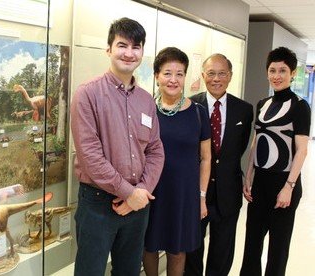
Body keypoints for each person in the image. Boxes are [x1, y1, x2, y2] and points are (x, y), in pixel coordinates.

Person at [70, 17, 165, 276]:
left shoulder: (146, 100)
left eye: (136, 47)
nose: (129, 53)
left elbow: (156, 150)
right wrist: (128, 193)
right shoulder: (87, 94)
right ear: (109, 49)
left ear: (142, 53)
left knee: (129, 271)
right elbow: (90, 156)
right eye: (122, 45)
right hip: (98, 205)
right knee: (90, 271)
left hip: (137, 205)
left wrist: (141, 192)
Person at [240, 47, 311, 276]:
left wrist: (289, 187)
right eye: (272, 70)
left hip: (284, 184)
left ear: (292, 73)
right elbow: (256, 142)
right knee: (251, 244)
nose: (277, 75)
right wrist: (248, 176)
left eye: (283, 70)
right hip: (260, 182)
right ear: (267, 72)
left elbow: (301, 151)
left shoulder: (300, 106)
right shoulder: (262, 104)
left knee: (278, 249)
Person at [143, 47, 211, 276]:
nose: (173, 80)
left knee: (177, 250)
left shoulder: (199, 113)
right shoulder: (146, 110)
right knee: (148, 246)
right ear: (156, 76)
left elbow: (206, 158)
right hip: (151, 190)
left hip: (183, 193)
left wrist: (201, 197)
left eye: (179, 74)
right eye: (167, 73)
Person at [184, 54, 253, 276]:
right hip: (196, 192)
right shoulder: (189, 105)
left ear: (230, 76)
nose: (216, 78)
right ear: (203, 75)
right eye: (211, 73)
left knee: (222, 251)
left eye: (222, 73)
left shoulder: (244, 109)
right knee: (192, 249)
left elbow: (238, 148)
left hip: (228, 192)